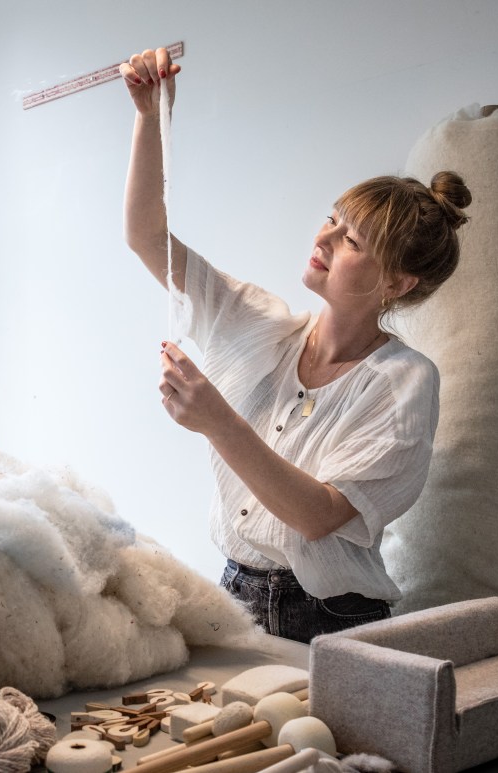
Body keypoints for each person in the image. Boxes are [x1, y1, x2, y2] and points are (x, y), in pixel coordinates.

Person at [119, 47, 472, 643]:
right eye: (334, 217)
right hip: (233, 588)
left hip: (334, 617)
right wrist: (151, 116)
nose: (326, 236)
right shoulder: (259, 322)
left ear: (396, 282)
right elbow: (147, 236)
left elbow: (315, 518)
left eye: (352, 237)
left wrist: (216, 421)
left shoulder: (405, 381)